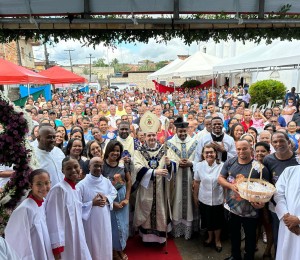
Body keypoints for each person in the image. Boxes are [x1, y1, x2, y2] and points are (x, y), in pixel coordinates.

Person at [218, 139, 270, 260]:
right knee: (234, 235)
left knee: (250, 236)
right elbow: (220, 178)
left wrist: (261, 203)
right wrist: (231, 186)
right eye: (238, 149)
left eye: (244, 148)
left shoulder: (259, 168)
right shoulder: (230, 163)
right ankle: (235, 256)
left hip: (251, 210)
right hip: (232, 207)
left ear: (251, 149)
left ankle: (249, 257)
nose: (241, 151)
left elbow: (267, 188)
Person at [133, 111, 175, 244]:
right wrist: (154, 173)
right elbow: (137, 167)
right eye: (148, 135)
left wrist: (169, 164)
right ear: (144, 136)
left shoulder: (165, 149)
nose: (151, 137)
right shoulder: (139, 151)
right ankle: (146, 237)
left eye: (153, 135)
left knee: (160, 211)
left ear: (157, 135)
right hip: (146, 188)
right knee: (146, 210)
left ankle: (160, 238)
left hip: (160, 189)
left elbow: (173, 165)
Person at [45, 157, 92, 260]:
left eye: (76, 167)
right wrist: (57, 247)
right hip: (65, 242)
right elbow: (54, 220)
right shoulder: (59, 190)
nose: (73, 170)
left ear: (80, 168)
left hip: (77, 236)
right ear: (62, 170)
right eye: (68, 168)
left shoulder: (75, 189)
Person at [263, 131, 300, 254]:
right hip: (279, 210)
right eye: (275, 142)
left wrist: (298, 219)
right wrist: (286, 216)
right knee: (281, 242)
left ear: (289, 142)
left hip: (296, 217)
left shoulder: (295, 160)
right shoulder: (269, 160)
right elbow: (272, 189)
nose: (278, 144)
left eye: (282, 141)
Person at [5, 169, 53, 259]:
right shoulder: (25, 209)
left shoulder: (43, 202)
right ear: (31, 185)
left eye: (47, 183)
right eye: (39, 184)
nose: (43, 187)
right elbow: (19, 242)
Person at [76, 157, 117, 260]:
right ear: (89, 167)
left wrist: (107, 198)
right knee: (92, 246)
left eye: (100, 166)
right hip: (90, 223)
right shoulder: (81, 185)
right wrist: (91, 204)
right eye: (95, 165)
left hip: (105, 221)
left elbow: (113, 192)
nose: (98, 168)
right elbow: (76, 206)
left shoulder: (106, 181)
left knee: (105, 243)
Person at [167, 117, 198, 239]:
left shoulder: (194, 143)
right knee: (177, 200)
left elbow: (199, 160)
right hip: (176, 179)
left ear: (187, 130)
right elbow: (167, 160)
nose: (182, 134)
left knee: (190, 202)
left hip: (190, 177)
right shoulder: (169, 144)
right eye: (180, 131)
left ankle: (189, 229)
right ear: (176, 131)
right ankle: (177, 228)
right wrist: (176, 163)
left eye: (184, 131)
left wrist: (191, 163)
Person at [102, 140, 131, 260]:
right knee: (114, 227)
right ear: (108, 151)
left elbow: (129, 181)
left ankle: (120, 249)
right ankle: (114, 251)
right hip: (110, 201)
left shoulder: (123, 163)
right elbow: (100, 187)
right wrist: (112, 203)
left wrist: (127, 198)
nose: (115, 153)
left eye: (118, 151)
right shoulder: (102, 166)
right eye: (113, 150)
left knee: (123, 225)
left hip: (123, 199)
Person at [194, 144, 224, 252]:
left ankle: (217, 240)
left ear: (216, 154)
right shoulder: (199, 166)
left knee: (217, 221)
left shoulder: (222, 165)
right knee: (207, 220)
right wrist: (195, 197)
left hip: (218, 198)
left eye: (211, 152)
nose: (209, 154)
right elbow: (196, 182)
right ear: (203, 154)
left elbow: (225, 183)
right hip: (204, 198)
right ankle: (210, 237)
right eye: (206, 152)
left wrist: (225, 198)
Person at [274, 165, 300, 260]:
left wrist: (298, 220)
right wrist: (286, 216)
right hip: (287, 224)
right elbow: (278, 194)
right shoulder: (289, 171)